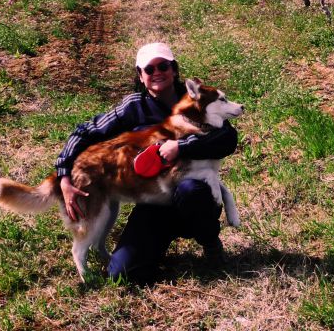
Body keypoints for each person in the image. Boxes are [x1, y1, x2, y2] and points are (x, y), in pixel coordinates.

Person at [54, 42, 238, 282]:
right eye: (148, 70)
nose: (157, 72)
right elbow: (85, 132)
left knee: (191, 189)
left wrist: (180, 146)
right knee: (123, 274)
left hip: (193, 195)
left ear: (174, 70)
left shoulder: (198, 99)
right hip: (153, 202)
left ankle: (210, 242)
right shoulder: (133, 106)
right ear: (140, 76)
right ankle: (149, 245)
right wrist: (64, 175)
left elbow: (227, 138)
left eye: (163, 66)